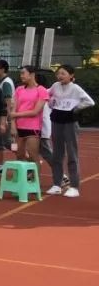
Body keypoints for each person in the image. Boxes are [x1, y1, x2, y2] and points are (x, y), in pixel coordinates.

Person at [46, 65, 94, 198]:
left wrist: (76, 108)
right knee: (57, 154)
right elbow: (45, 94)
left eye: (63, 73)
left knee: (72, 153)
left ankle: (74, 186)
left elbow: (90, 102)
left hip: (70, 123)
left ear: (71, 75)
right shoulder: (55, 86)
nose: (60, 76)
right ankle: (57, 184)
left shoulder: (75, 88)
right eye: (58, 73)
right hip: (56, 121)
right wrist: (50, 102)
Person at [10, 66, 49, 172]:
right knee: (19, 155)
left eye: (23, 73)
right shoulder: (19, 89)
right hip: (19, 127)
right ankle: (23, 178)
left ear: (32, 75)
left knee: (33, 156)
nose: (21, 76)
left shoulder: (41, 90)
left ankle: (35, 179)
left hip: (33, 128)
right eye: (21, 73)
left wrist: (16, 115)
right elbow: (13, 110)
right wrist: (13, 126)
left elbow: (35, 112)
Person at [0, 59, 16, 174]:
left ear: (2, 69)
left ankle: (26, 156)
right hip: (2, 117)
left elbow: (8, 101)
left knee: (7, 142)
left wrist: (5, 118)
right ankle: (0, 166)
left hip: (4, 117)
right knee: (0, 142)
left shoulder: (6, 83)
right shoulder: (3, 82)